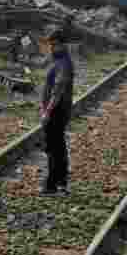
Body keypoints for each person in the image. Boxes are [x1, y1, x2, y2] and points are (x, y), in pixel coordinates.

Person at [40, 29, 74, 196]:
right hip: (57, 110)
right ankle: (60, 182)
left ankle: (52, 185)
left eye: (54, 45)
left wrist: (47, 111)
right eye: (51, 45)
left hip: (57, 111)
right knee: (57, 146)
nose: (52, 48)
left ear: (63, 45)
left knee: (54, 148)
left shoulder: (63, 64)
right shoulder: (59, 60)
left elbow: (58, 90)